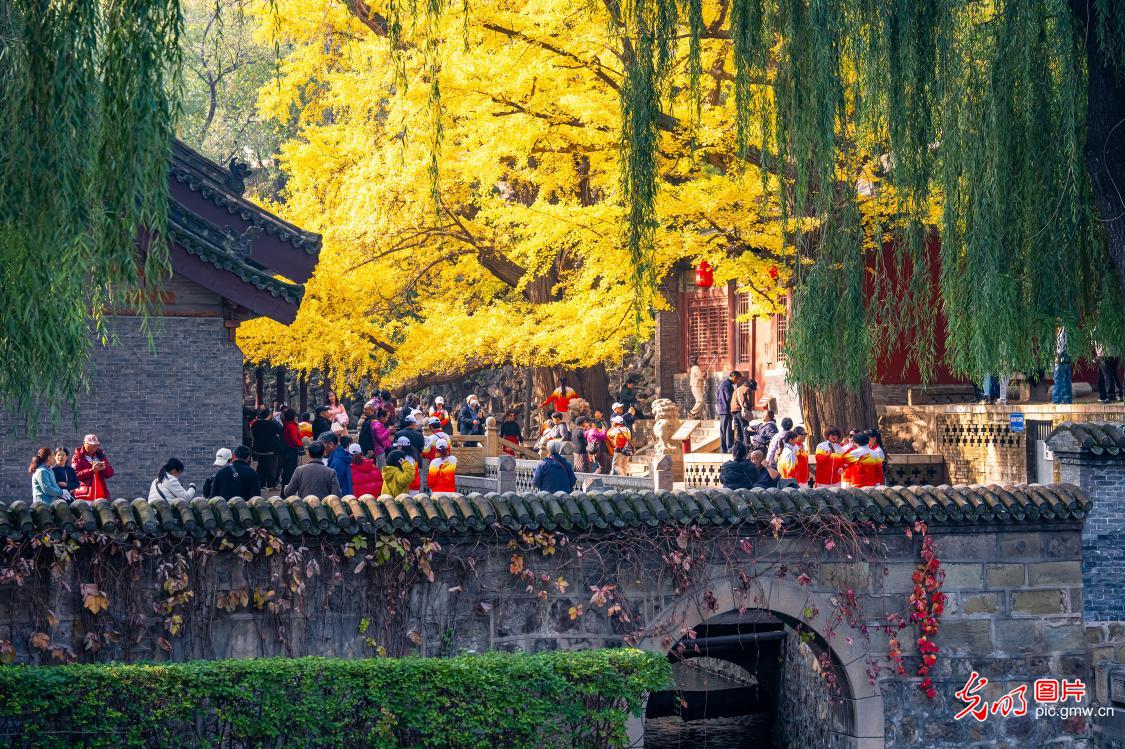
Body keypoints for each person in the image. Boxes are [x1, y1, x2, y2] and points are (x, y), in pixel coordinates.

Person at [72, 434, 113, 501]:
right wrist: (92, 470)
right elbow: (75, 475)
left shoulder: (101, 456)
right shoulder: (77, 457)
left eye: (95, 445)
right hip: (84, 496)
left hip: (101, 495)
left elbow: (110, 473)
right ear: (84, 443)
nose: (93, 448)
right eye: (90, 445)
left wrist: (103, 468)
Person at [251, 406, 283, 489]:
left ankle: (261, 484)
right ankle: (271, 484)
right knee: (271, 467)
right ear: (269, 415)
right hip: (270, 449)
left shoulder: (256, 424)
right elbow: (280, 430)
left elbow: (253, 434)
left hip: (258, 449)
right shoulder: (272, 424)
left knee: (261, 466)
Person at [715, 371, 740, 453]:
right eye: (738, 379)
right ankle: (724, 448)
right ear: (734, 377)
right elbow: (729, 398)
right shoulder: (727, 385)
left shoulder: (724, 384)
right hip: (725, 409)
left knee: (728, 429)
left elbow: (718, 396)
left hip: (724, 409)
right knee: (724, 429)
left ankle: (728, 447)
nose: (737, 381)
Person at [730, 375, 756, 446]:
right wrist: (749, 409)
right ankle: (747, 447)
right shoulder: (748, 389)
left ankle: (739, 446)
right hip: (741, 411)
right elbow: (749, 402)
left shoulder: (737, 389)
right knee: (745, 428)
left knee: (738, 431)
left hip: (734, 411)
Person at [279, 408, 302, 486]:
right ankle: (288, 491)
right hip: (291, 450)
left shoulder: (286, 425)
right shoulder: (291, 426)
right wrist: (300, 444)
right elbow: (294, 439)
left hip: (286, 450)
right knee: (290, 471)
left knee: (286, 471)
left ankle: (284, 490)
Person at [1052, 326, 1073, 404]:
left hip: (1061, 355)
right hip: (1067, 356)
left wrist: (1058, 355)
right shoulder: (1068, 328)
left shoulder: (1062, 329)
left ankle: (1056, 400)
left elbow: (1061, 344)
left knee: (1058, 378)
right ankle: (1067, 399)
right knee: (1066, 378)